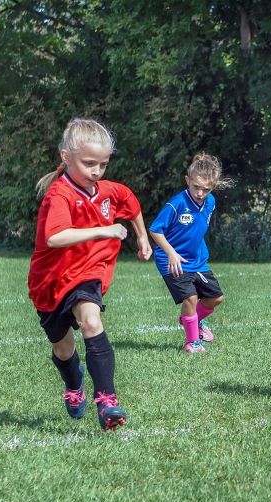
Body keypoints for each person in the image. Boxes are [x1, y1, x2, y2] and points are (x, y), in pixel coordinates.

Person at [28, 118, 152, 431]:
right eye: (88, 163)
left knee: (92, 321)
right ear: (65, 157)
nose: (96, 171)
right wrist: (103, 230)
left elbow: (131, 202)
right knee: (63, 347)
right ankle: (74, 384)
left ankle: (107, 400)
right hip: (49, 281)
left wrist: (142, 237)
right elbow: (55, 238)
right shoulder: (60, 195)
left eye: (103, 164)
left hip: (86, 274)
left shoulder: (108, 191)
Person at [149, 153, 233, 353]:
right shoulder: (176, 204)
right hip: (171, 260)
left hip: (197, 260)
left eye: (206, 189)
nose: (200, 193)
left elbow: (197, 227)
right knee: (191, 299)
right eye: (196, 187)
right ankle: (192, 342)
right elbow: (155, 229)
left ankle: (191, 320)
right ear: (187, 180)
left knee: (216, 298)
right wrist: (170, 253)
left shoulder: (210, 202)